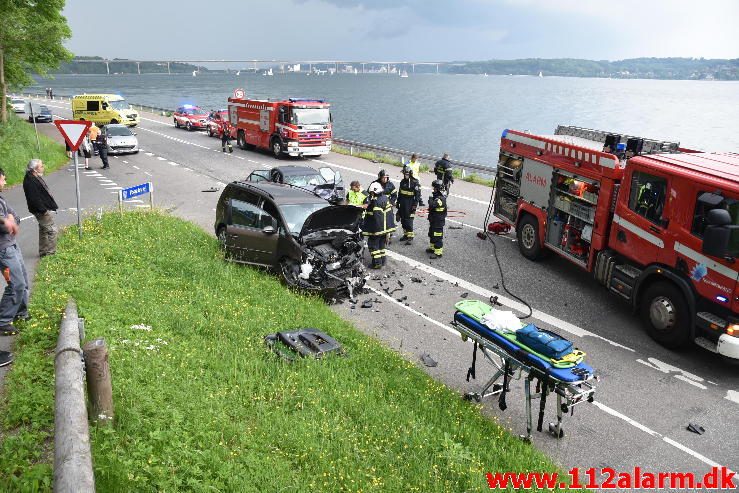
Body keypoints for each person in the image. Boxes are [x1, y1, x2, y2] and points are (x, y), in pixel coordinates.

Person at [0, 168, 30, 336]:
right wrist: (7, 221)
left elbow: (16, 217)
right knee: (16, 284)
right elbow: (4, 227)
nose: (5, 182)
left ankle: (21, 312)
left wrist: (10, 219)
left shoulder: (1, 199)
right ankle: (3, 321)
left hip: (12, 246)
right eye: (3, 179)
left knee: (23, 281)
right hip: (4, 251)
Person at [22, 159, 58, 257]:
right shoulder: (30, 181)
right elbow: (34, 199)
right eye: (41, 166)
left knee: (43, 230)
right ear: (34, 169)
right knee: (52, 230)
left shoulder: (33, 177)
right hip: (40, 210)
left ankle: (43, 251)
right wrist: (43, 210)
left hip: (39, 209)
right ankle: (51, 254)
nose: (43, 167)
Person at [362, 182, 396, 269]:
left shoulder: (376, 202)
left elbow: (377, 217)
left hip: (378, 229)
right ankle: (383, 261)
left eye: (371, 193)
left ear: (374, 192)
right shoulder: (385, 198)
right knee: (381, 245)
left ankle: (377, 263)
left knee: (373, 246)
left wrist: (373, 231)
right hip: (385, 229)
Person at [396, 165, 421, 244]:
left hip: (410, 204)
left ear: (410, 174)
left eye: (406, 174)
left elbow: (417, 196)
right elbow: (400, 193)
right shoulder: (402, 182)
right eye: (404, 174)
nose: (405, 176)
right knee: (403, 219)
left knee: (408, 220)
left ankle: (410, 236)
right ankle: (406, 235)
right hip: (403, 203)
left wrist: (414, 206)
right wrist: (398, 202)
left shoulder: (415, 182)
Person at [426, 179, 447, 259]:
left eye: (434, 188)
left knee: (437, 236)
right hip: (434, 220)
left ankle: (438, 252)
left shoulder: (440, 199)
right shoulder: (437, 197)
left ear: (437, 189)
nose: (433, 190)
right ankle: (432, 248)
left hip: (438, 222)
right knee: (431, 234)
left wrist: (430, 199)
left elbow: (432, 205)